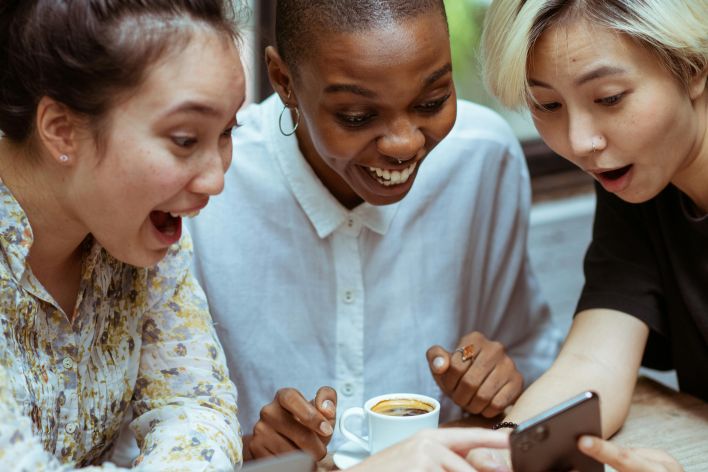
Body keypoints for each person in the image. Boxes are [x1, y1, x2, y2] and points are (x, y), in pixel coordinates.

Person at [186, 0, 561, 461]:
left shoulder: (482, 159)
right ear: (284, 82)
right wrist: (248, 456)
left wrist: (501, 382)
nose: (404, 143)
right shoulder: (208, 196)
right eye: (358, 116)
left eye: (433, 101)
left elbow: (532, 359)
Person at [0, 0, 247, 469]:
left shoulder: (138, 228)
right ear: (61, 129)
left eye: (227, 131)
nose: (215, 179)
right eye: (185, 139)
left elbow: (197, 410)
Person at [473, 0, 707, 470]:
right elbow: (592, 365)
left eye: (609, 98)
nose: (580, 142)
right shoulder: (640, 184)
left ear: (694, 66)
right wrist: (502, 452)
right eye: (548, 105)